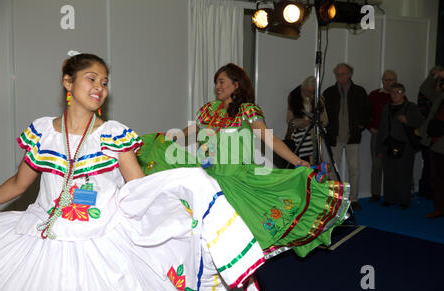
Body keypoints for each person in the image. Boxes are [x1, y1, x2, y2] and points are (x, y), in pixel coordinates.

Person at [0, 54, 264, 291]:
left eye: (104, 82)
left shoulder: (113, 134)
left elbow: (138, 188)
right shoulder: (42, 132)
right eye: (91, 79)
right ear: (68, 82)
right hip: (40, 239)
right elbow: (19, 183)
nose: (99, 87)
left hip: (102, 242)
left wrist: (186, 185)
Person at [137, 63, 351, 260]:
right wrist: (163, 139)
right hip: (207, 179)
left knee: (239, 231)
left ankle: (237, 271)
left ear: (236, 84)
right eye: (216, 82)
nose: (217, 86)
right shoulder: (208, 111)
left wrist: (297, 161)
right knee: (208, 230)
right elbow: (186, 133)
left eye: (222, 81)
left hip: (237, 179)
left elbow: (270, 139)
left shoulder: (247, 111)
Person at [323, 63, 371, 210]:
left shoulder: (359, 91)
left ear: (350, 74)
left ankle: (354, 199)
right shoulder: (329, 92)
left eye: (342, 74)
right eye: (337, 74)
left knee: (354, 168)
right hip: (334, 137)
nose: (339, 77)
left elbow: (367, 110)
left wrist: (361, 125)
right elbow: (323, 112)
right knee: (332, 169)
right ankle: (335, 199)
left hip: (353, 137)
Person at [376, 83, 424, 209]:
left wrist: (407, 120)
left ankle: (404, 201)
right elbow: (381, 128)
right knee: (389, 173)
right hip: (388, 144)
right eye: (392, 92)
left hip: (405, 145)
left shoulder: (411, 106)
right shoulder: (386, 107)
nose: (395, 95)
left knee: (404, 173)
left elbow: (421, 122)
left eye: (398, 92)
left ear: (403, 93)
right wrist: (379, 148)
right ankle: (389, 198)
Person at [367, 70, 397, 202]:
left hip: (394, 137)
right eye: (386, 79)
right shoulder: (374, 95)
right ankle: (375, 193)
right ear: (382, 81)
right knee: (377, 164)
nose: (388, 82)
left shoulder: (399, 96)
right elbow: (365, 113)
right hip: (377, 135)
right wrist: (369, 127)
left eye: (391, 80)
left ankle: (391, 194)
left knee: (392, 165)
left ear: (395, 81)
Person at [284, 76, 329, 164]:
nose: (309, 94)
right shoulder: (294, 97)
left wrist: (315, 124)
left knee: (315, 166)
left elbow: (325, 121)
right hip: (298, 140)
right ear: (303, 87)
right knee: (299, 166)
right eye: (307, 91)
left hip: (314, 139)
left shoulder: (319, 99)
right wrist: (300, 123)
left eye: (312, 92)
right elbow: (289, 120)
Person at [418, 68, 444, 218]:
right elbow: (424, 89)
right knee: (436, 178)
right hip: (434, 142)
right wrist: (432, 76)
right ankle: (439, 207)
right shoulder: (439, 96)